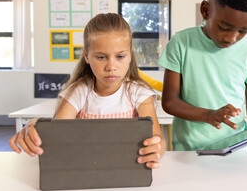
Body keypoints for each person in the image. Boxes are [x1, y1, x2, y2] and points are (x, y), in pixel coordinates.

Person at [9, 13, 166, 168]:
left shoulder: (139, 93)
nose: (111, 66)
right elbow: (58, 132)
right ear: (86, 55)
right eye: (101, 57)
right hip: (84, 171)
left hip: (126, 171)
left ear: (130, 55)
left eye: (120, 56)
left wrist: (157, 147)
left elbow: (158, 139)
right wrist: (39, 126)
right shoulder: (79, 91)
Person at [158, 0, 247, 151]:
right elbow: (169, 101)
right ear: (205, 10)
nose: (232, 38)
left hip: (235, 148)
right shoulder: (181, 43)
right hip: (188, 149)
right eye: (224, 27)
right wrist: (208, 115)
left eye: (243, 31)